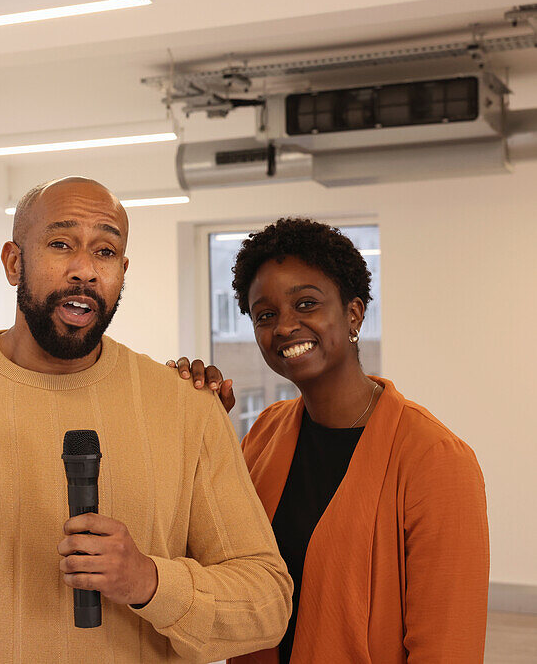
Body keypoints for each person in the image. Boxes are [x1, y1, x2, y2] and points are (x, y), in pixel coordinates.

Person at [0, 177, 292, 662]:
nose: (84, 270)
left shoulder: (188, 407)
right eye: (61, 244)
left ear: (122, 271)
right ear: (14, 262)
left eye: (105, 252)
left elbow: (266, 604)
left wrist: (148, 580)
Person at [173, 217, 489, 663]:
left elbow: (448, 647)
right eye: (265, 315)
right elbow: (211, 564)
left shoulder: (435, 459)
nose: (284, 326)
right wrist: (193, 432)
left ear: (354, 313)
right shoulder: (265, 432)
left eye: (306, 304)